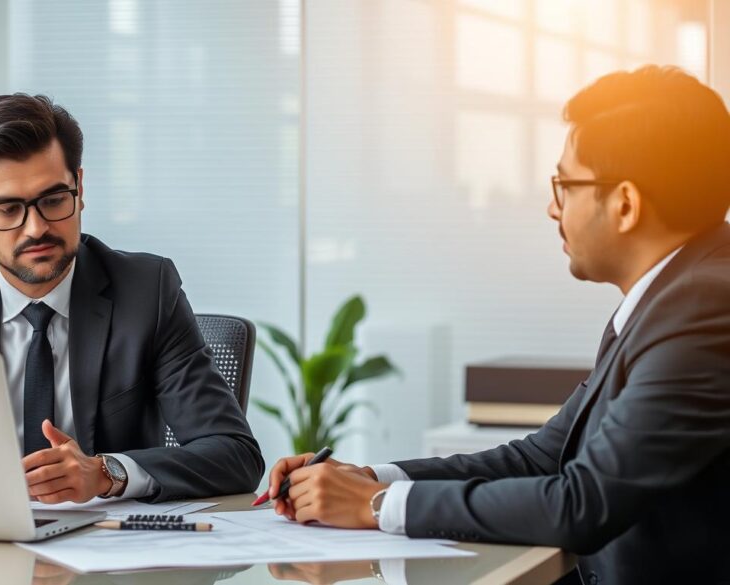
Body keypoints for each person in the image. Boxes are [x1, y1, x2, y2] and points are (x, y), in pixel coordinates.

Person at [266, 66, 730, 584]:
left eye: (566, 185)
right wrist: (371, 478)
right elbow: (544, 456)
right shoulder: (674, 295)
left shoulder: (704, 307)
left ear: (625, 203)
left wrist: (378, 505)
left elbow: (582, 503)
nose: (553, 208)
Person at [0, 93, 263, 504]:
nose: (36, 228)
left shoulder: (146, 291)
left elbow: (235, 455)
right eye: (8, 209)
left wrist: (106, 473)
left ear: (79, 189)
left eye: (53, 200)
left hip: (106, 551)